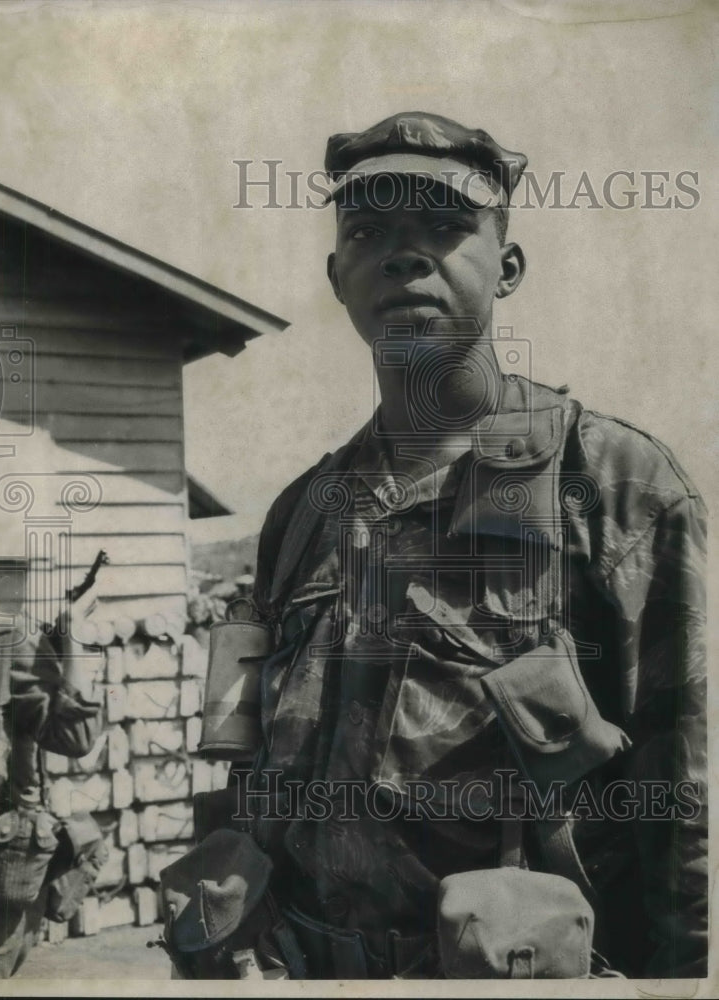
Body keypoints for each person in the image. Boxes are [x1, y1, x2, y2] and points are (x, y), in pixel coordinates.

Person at [192, 112, 707, 980]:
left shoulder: (612, 483)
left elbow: (686, 817)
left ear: (505, 267)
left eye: (442, 225)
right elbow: (251, 773)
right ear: (336, 275)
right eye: (367, 231)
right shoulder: (301, 514)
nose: (402, 254)